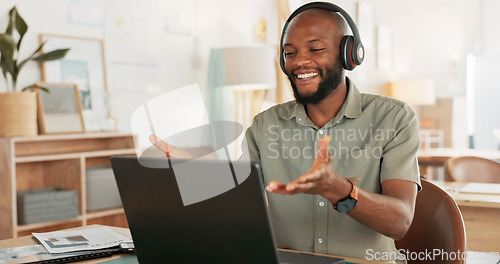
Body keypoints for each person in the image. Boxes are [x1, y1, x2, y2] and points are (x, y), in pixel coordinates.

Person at [151, 2, 420, 263]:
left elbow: (400, 222)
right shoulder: (265, 125)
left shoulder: (394, 118)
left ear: (349, 54)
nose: (300, 61)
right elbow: (240, 206)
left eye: (315, 48)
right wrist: (195, 173)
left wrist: (340, 190)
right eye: (290, 53)